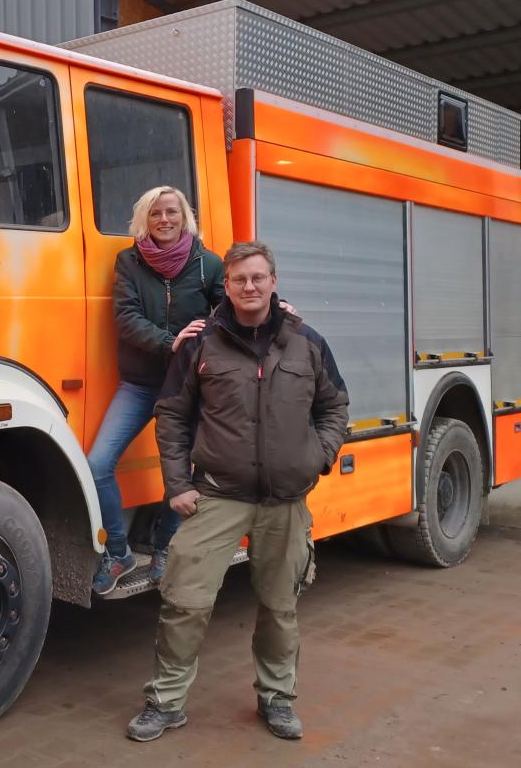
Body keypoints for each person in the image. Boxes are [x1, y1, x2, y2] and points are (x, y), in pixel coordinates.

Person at [125, 241, 349, 743]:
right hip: (217, 497)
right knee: (184, 601)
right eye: (238, 279)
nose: (249, 287)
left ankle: (276, 700)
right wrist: (177, 484)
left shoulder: (306, 343)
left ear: (273, 281)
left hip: (286, 502)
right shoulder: (201, 345)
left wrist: (319, 455)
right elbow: (173, 416)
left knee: (279, 606)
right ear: (224, 285)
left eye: (258, 277)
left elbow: (335, 407)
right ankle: (165, 702)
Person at [89, 186, 225, 595]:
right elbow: (125, 316)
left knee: (183, 474)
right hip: (140, 383)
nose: (164, 219)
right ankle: (118, 552)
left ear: (184, 217)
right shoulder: (128, 261)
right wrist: (171, 342)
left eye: (172, 212)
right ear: (144, 220)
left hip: (187, 387)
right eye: (155, 213)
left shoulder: (208, 264)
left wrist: (277, 309)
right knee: (97, 465)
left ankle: (164, 548)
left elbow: (231, 311)